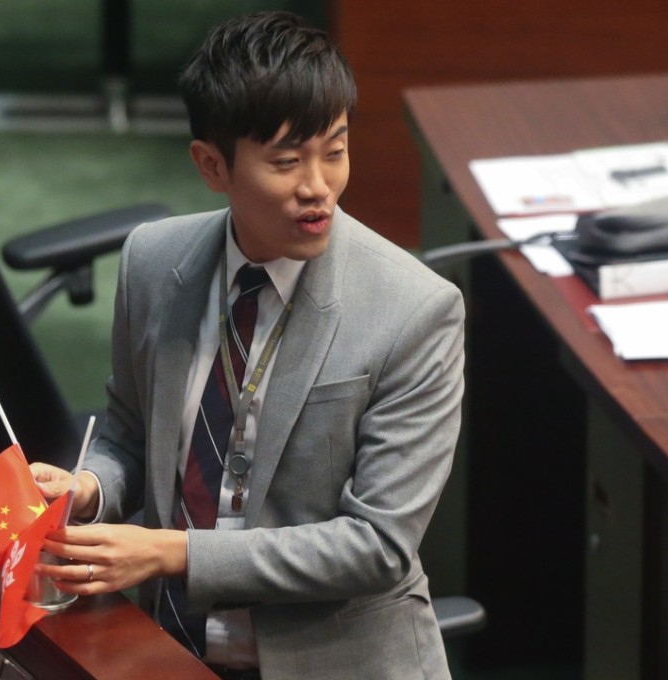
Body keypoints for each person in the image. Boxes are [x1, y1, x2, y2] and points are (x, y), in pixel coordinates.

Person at [31, 10, 464, 679]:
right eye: (287, 161)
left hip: (336, 662)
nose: (317, 185)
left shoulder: (414, 311)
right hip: (167, 652)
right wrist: (90, 487)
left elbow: (377, 546)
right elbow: (128, 434)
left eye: (336, 149)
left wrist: (174, 553)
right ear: (212, 165)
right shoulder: (152, 261)